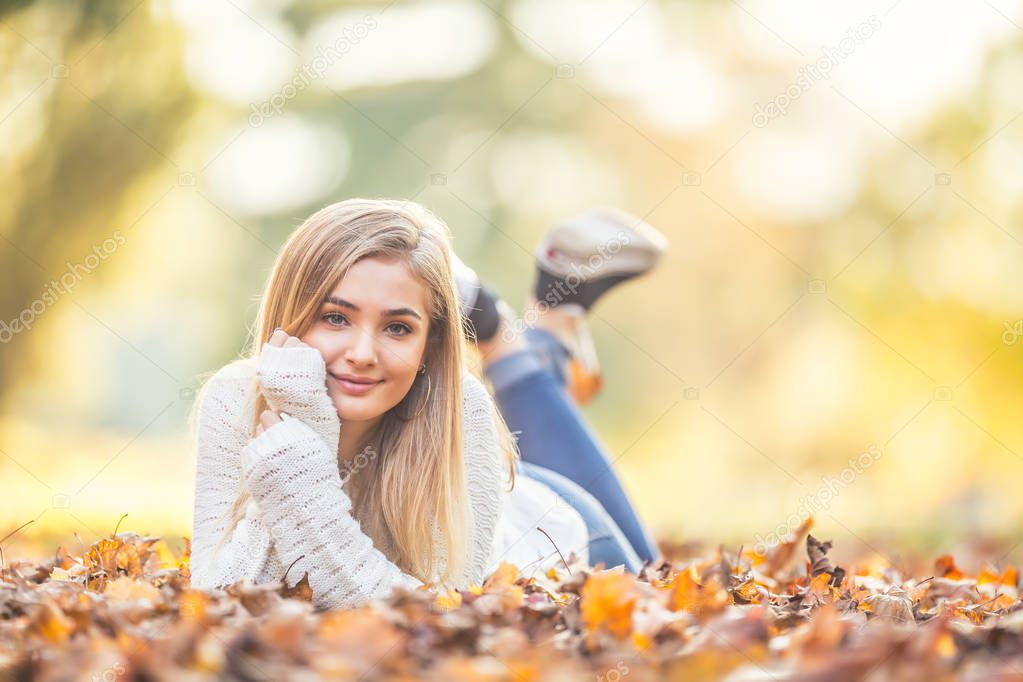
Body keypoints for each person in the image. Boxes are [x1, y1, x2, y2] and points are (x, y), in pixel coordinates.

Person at [189, 199, 666, 610]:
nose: (361, 353)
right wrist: (299, 440)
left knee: (658, 589)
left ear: (428, 346)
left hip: (559, 532)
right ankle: (536, 326)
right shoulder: (236, 397)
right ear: (289, 315)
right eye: (335, 317)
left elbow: (438, 614)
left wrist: (301, 480)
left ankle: (522, 327)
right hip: (499, 480)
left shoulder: (464, 410)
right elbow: (217, 597)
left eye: (398, 327)